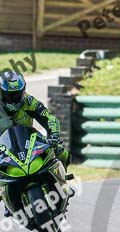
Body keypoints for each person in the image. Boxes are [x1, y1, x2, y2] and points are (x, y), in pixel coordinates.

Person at [0, 71, 70, 213]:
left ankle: (62, 183)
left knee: (62, 152)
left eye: (17, 94)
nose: (14, 99)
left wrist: (54, 135)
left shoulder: (28, 101)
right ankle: (6, 198)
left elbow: (48, 118)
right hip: (3, 148)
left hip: (27, 142)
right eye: (9, 95)